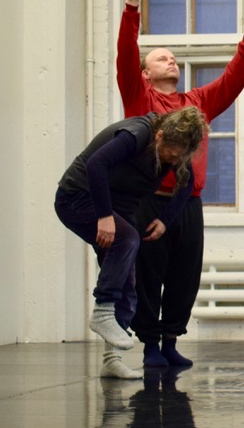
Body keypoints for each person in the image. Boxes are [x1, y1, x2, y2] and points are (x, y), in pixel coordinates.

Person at [116, 0, 244, 373]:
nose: (172, 61)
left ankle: (170, 341)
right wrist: (132, 8)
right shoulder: (139, 97)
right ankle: (148, 345)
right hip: (148, 201)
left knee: (183, 276)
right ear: (147, 73)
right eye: (162, 57)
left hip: (187, 203)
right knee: (149, 274)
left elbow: (232, 83)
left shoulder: (196, 102)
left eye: (174, 58)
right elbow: (125, 58)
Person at [55, 107, 209, 378]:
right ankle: (103, 310)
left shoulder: (176, 152)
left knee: (128, 283)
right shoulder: (137, 133)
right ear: (160, 135)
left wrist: (165, 220)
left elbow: (186, 184)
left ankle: (111, 359)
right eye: (170, 151)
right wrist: (103, 216)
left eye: (179, 154)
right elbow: (96, 165)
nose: (172, 159)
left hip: (115, 210)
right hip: (76, 198)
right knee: (127, 239)